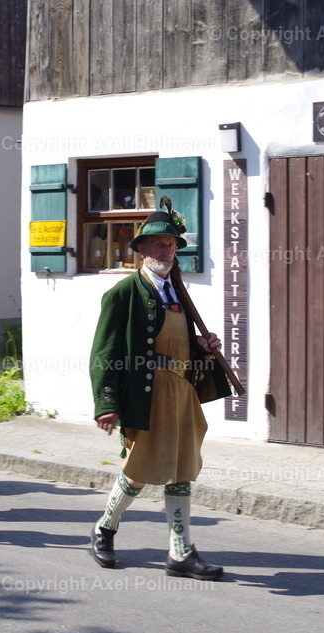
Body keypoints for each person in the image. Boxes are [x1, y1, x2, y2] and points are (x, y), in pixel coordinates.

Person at [87, 197, 231, 579]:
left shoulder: (179, 293)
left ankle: (181, 551)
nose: (166, 250)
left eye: (171, 244)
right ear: (142, 251)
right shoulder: (123, 294)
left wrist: (203, 347)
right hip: (147, 394)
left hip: (181, 392)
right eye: (159, 244)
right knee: (139, 470)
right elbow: (104, 352)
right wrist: (106, 402)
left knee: (182, 470)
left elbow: (179, 345)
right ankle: (104, 528)